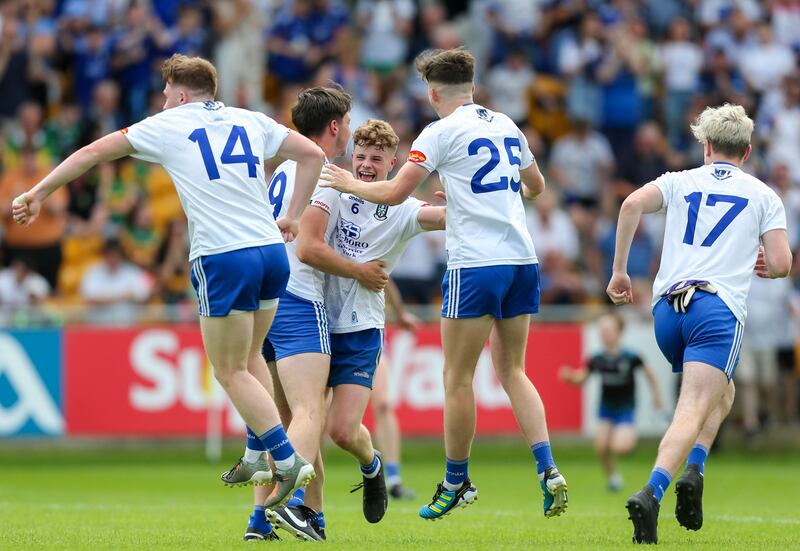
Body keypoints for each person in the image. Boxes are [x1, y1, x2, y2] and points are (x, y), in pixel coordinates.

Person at [11, 54, 324, 511]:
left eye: (163, 95)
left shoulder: (171, 123)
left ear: (179, 94)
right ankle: (257, 454)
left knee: (228, 369)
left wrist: (39, 191)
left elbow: (91, 152)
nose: (161, 102)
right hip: (272, 252)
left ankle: (287, 458)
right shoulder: (250, 118)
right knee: (251, 357)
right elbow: (313, 154)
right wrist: (292, 215)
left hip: (223, 255)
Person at [321, 47, 569, 521]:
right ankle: (548, 468)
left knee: (457, 377)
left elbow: (395, 193)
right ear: (471, 86)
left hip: (475, 264)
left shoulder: (439, 131)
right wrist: (476, 192)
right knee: (513, 370)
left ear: (433, 92)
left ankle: (456, 481)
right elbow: (535, 188)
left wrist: (346, 183)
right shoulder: (506, 125)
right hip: (522, 259)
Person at [606, 103, 792, 544]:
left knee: (721, 393)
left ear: (706, 146)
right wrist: (770, 266)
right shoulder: (763, 194)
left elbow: (631, 203)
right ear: (746, 152)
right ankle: (652, 492)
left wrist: (618, 271)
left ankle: (695, 470)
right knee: (694, 406)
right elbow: (783, 263)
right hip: (715, 309)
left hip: (668, 310)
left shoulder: (678, 181)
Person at [219, 85, 386, 542]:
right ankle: (291, 505)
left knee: (278, 419)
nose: (350, 130)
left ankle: (293, 518)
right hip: (299, 300)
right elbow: (310, 248)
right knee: (310, 411)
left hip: (264, 298)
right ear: (335, 126)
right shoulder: (325, 173)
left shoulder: (283, 169)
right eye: (349, 122)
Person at [268, 118, 446, 538]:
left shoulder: (402, 209)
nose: (366, 165)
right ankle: (307, 513)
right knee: (305, 418)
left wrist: (456, 201)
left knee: (342, 430)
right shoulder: (334, 187)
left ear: (393, 164)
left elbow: (443, 217)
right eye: (361, 156)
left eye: (376, 160)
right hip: (315, 317)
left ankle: (372, 463)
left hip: (361, 327)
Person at [559, 312, 664, 491]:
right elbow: (581, 379)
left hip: (625, 410)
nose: (604, 333)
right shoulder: (597, 358)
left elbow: (649, 373)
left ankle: (627, 438)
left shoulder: (630, 356)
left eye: (608, 330)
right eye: (602, 330)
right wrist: (570, 377)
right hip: (606, 409)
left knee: (620, 447)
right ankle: (613, 477)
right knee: (601, 447)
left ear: (619, 332)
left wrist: (657, 398)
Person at [373, 278, 419, 500]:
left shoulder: (365, 246)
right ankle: (308, 483)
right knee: (320, 412)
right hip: (330, 331)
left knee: (383, 404)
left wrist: (400, 314)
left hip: (371, 335)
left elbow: (384, 275)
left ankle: (393, 479)